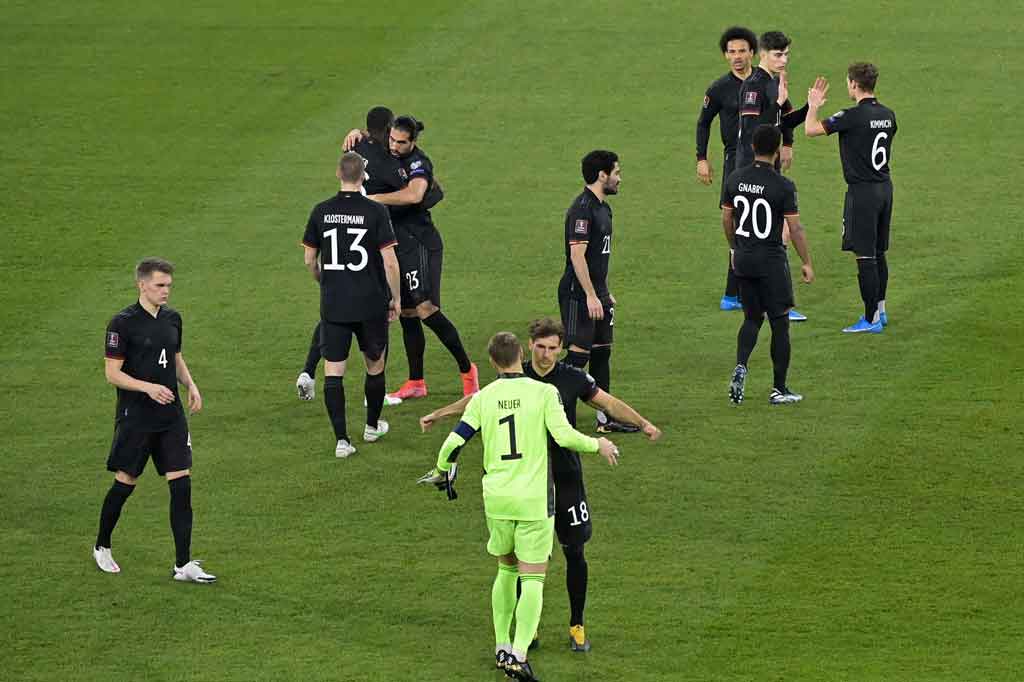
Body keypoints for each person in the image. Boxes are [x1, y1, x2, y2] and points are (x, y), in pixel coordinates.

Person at [420, 317, 661, 654]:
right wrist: (442, 413)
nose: (546, 354)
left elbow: (608, 403)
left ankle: (576, 624)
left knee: (574, 551)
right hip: (529, 486)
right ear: (529, 346)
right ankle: (526, 632)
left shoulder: (572, 379)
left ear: (561, 348)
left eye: (552, 348)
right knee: (521, 562)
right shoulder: (519, 377)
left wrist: (643, 423)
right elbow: (478, 399)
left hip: (565, 480)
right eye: (541, 347)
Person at [94, 257, 216, 583]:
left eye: (169, 286)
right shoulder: (121, 324)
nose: (166, 291)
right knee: (126, 481)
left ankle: (183, 565)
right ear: (142, 285)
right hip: (136, 417)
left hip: (171, 416)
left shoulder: (173, 319)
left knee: (182, 484)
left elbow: (174, 357)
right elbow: (112, 374)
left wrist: (191, 385)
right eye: (160, 285)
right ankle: (102, 545)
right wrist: (147, 388)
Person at [297, 106, 409, 402]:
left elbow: (310, 258)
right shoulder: (389, 162)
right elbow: (415, 194)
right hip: (370, 231)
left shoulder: (356, 146)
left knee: (335, 313)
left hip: (341, 230)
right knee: (373, 319)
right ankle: (377, 391)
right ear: (388, 130)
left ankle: (308, 371)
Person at [363, 116, 479, 402]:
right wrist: (357, 133)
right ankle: (416, 382)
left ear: (412, 142)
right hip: (395, 244)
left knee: (426, 308)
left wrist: (375, 199)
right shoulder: (385, 147)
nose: (394, 145)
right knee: (407, 313)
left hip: (420, 243)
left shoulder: (418, 162)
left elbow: (415, 195)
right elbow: (370, 135)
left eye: (401, 142)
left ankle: (468, 371)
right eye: (391, 139)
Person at [302, 151, 402, 457]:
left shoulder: (321, 211)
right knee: (375, 365)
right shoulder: (375, 212)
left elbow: (309, 259)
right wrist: (396, 297)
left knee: (334, 372)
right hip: (371, 303)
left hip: (334, 305)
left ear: (338, 174)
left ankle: (342, 441)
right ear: (363, 177)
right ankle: (372, 427)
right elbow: (390, 263)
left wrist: (324, 280)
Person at [722, 125, 814, 405]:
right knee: (780, 322)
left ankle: (741, 365)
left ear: (752, 147)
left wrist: (735, 246)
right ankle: (779, 389)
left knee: (751, 318)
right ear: (776, 151)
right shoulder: (783, 185)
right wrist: (807, 261)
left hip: (744, 258)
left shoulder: (736, 178)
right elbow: (795, 229)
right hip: (771, 260)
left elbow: (727, 219)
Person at [804, 63, 897, 333]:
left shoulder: (850, 116)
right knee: (879, 252)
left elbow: (810, 130)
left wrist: (813, 105)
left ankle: (870, 320)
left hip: (863, 192)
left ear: (854, 84)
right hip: (885, 189)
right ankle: (880, 309)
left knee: (865, 256)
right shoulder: (888, 115)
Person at [558, 150, 638, 434]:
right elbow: (577, 256)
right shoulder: (582, 209)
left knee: (602, 354)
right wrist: (591, 295)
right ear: (602, 175)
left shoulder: (604, 208)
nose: (620, 178)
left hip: (597, 293)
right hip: (577, 294)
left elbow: (598, 258)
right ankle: (555, 413)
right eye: (616, 172)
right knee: (577, 360)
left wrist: (604, 292)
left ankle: (608, 419)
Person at [736, 30, 810, 322]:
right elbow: (755, 133)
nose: (784, 60)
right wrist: (778, 105)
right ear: (762, 54)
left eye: (787, 54)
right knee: (771, 236)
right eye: (778, 55)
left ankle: (768, 302)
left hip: (770, 167)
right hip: (752, 169)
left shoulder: (774, 82)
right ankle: (777, 305)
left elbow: (783, 121)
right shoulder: (754, 87)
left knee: (774, 235)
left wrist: (809, 108)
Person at [696, 26, 757, 312]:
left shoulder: (764, 81)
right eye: (731, 52)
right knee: (733, 220)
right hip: (734, 160)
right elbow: (703, 122)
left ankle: (735, 293)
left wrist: (788, 143)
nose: (737, 57)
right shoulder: (719, 88)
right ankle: (737, 290)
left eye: (742, 50)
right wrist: (701, 158)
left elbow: (783, 109)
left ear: (752, 53)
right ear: (725, 55)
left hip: (764, 160)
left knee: (757, 224)